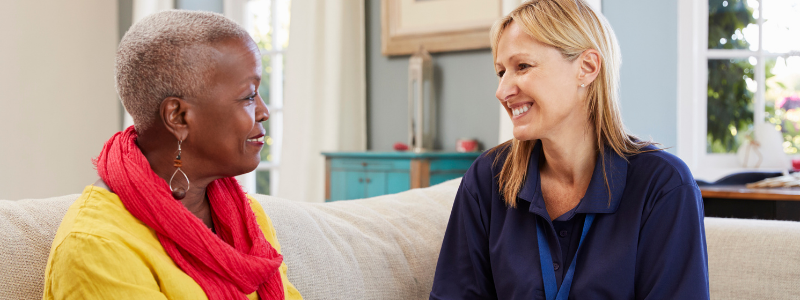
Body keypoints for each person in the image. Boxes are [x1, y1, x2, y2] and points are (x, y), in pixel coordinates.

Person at [430, 1, 709, 299]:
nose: (502, 91)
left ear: (587, 68)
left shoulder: (663, 186)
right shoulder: (488, 178)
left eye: (522, 66)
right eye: (501, 72)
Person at [42, 10, 302, 300]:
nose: (264, 112)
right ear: (178, 117)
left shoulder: (247, 217)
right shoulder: (96, 246)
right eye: (249, 96)